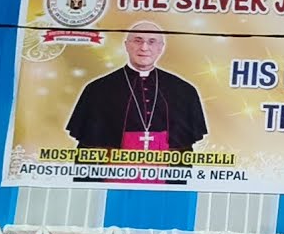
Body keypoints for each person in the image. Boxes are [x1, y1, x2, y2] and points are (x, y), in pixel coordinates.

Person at [66, 22, 208, 152]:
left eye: (152, 42)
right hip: (114, 169)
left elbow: (184, 151)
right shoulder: (97, 90)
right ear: (126, 45)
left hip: (164, 169)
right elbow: (86, 149)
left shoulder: (184, 90)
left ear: (161, 48)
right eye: (137, 41)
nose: (144, 48)